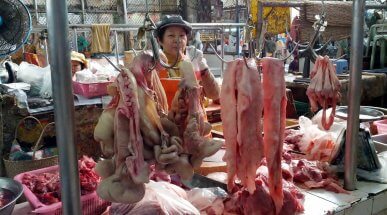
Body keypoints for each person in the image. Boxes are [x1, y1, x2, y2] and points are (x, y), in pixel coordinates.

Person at [155, 15, 220, 102]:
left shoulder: (194, 58)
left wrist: (203, 68)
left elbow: (214, 95)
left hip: (195, 112)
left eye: (182, 35)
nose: (177, 40)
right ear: (159, 40)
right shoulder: (155, 63)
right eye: (171, 35)